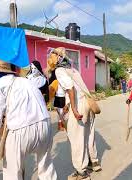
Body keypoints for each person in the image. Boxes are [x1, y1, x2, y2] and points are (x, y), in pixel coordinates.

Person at [0, 58, 57, 180]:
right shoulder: (26, 81)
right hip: (45, 124)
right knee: (46, 167)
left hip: (20, 129)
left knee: (12, 172)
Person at [47, 47, 101, 180]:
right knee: (89, 134)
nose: (50, 58)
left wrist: (74, 109)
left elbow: (70, 88)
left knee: (76, 138)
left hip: (79, 105)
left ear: (58, 57)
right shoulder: (72, 69)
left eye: (52, 55)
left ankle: (81, 172)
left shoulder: (60, 70)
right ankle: (94, 162)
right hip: (88, 103)